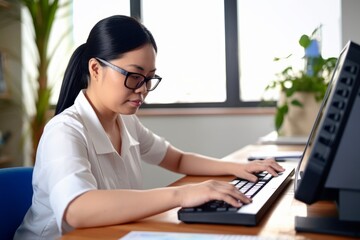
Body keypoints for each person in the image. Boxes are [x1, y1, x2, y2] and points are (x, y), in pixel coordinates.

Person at [14, 15, 284, 239]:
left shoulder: (126, 122)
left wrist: (238, 168)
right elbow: (77, 209)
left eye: (150, 79)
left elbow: (176, 159)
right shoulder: (64, 130)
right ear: (95, 69)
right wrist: (181, 194)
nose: (143, 90)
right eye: (133, 76)